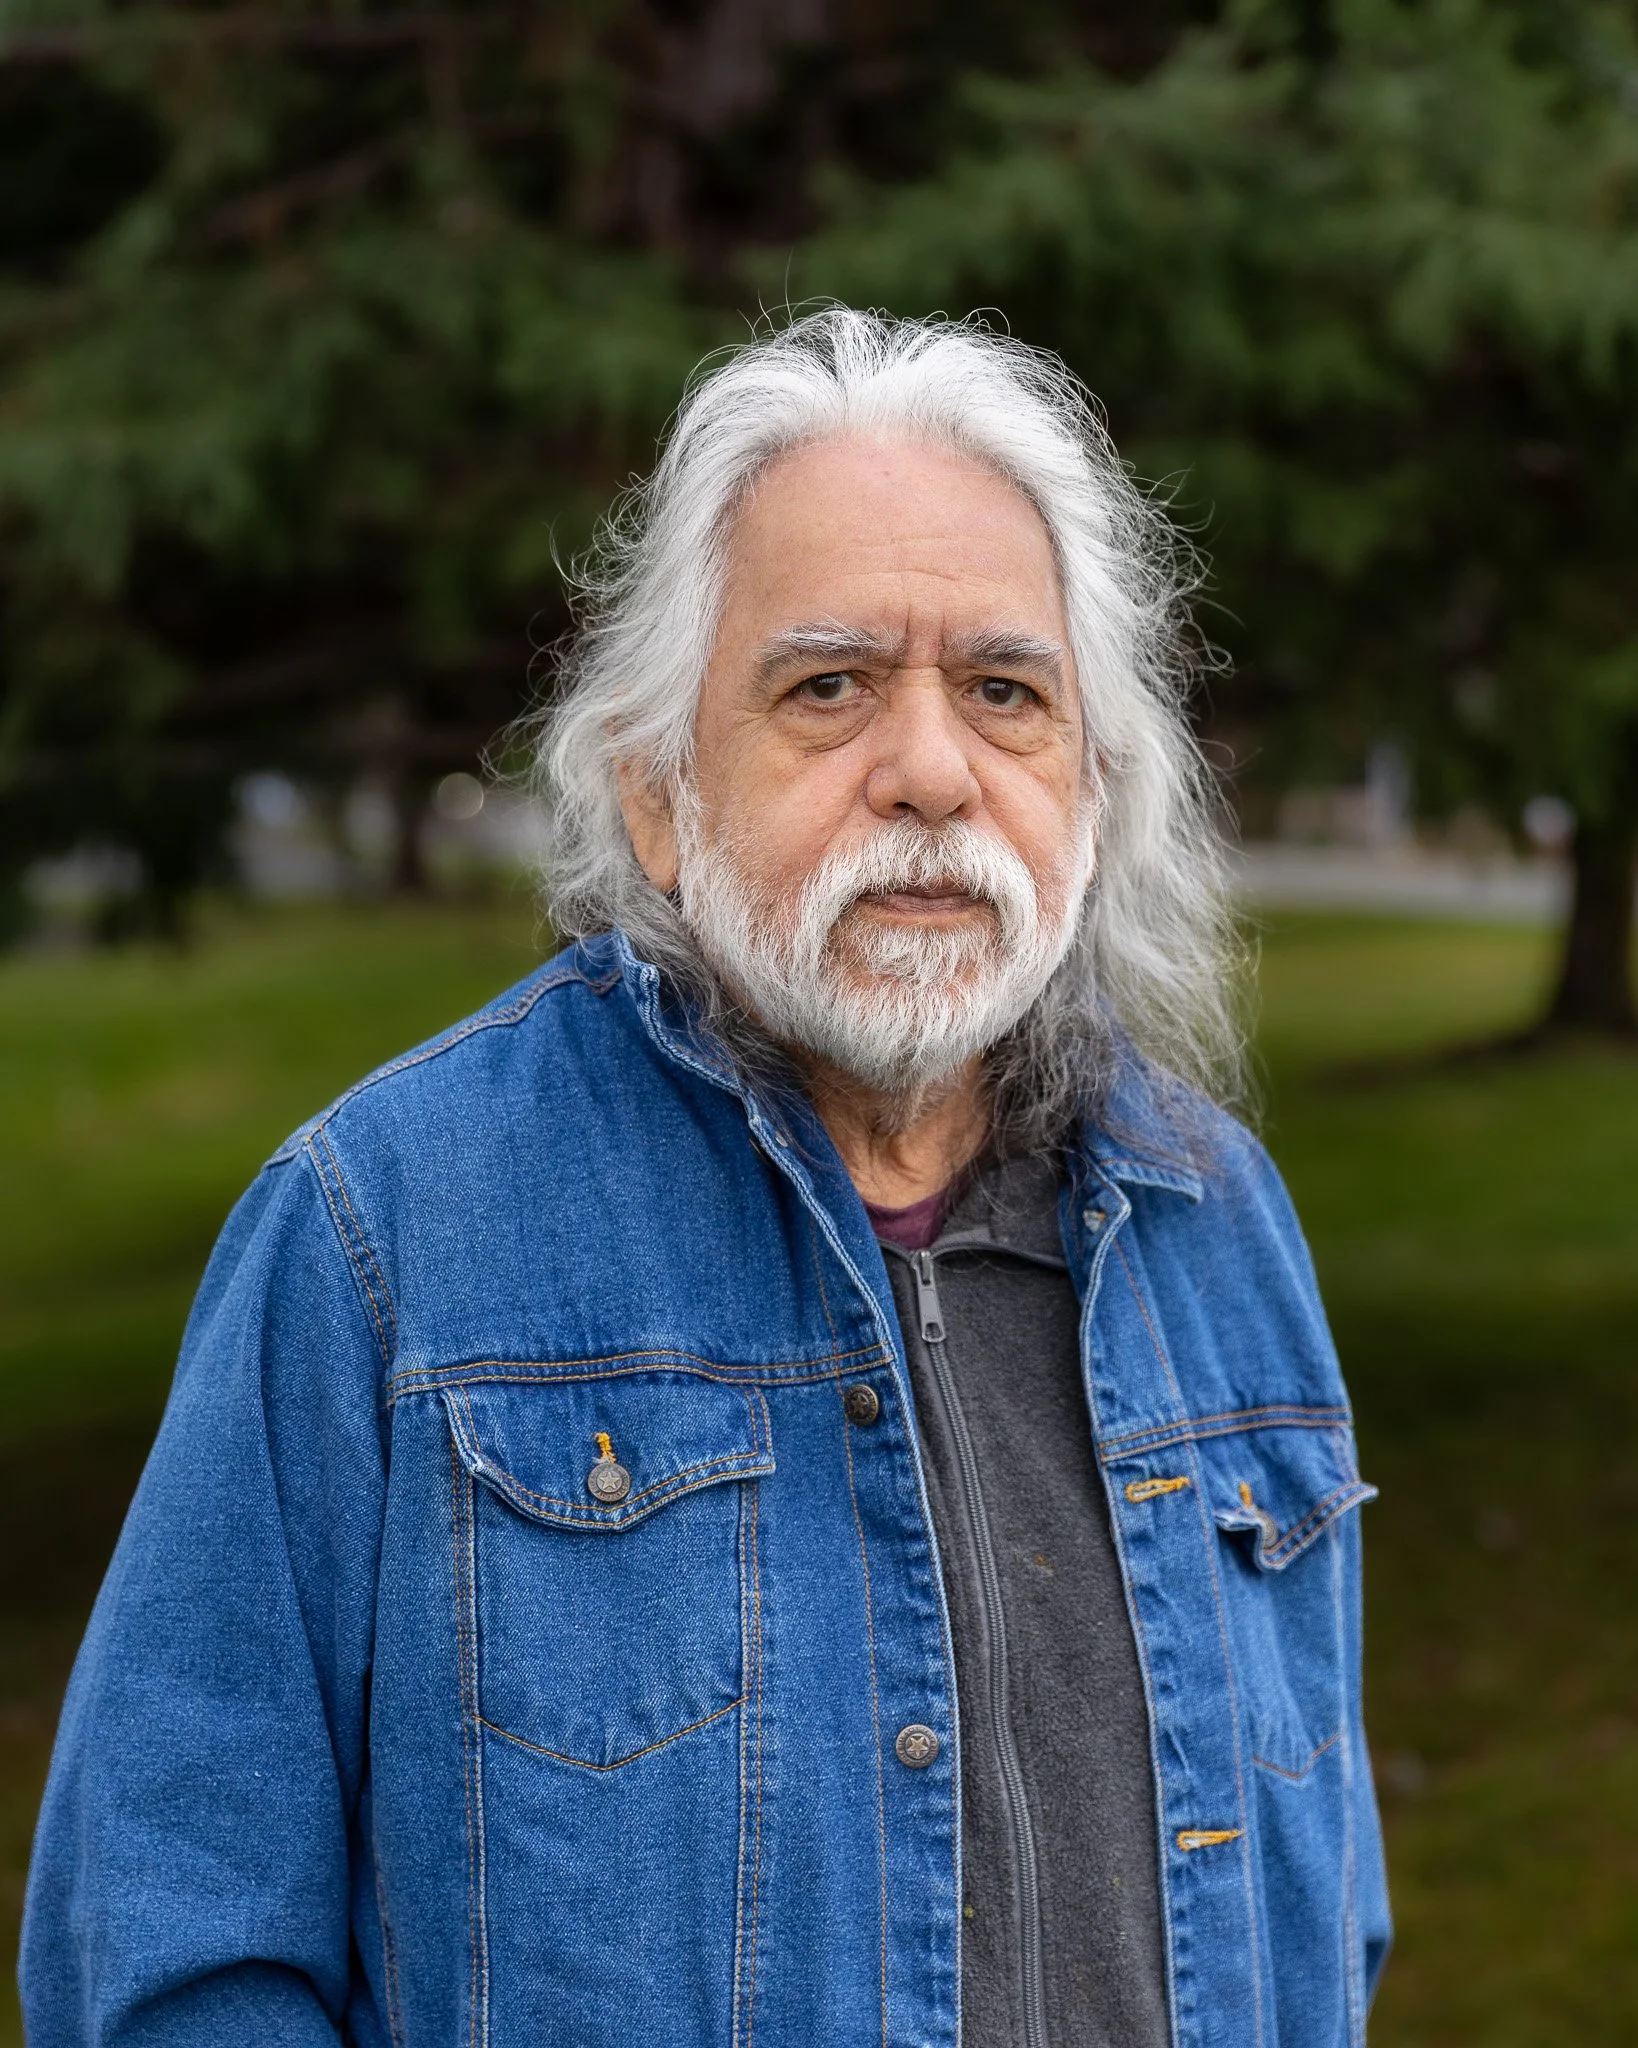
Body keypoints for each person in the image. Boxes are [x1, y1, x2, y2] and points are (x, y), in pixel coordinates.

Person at [22, 309, 1389, 2048]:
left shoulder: (1222, 1226)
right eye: (826, 687)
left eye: (1004, 691)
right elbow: (163, 1964)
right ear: (658, 796)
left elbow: (1315, 1932)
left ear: (1094, 789)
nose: (926, 770)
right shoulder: (387, 1235)